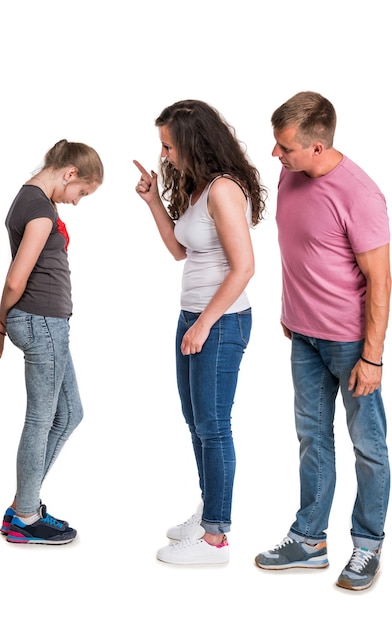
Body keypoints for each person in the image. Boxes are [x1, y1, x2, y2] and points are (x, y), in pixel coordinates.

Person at [255, 91, 391, 590]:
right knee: (313, 439)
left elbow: (381, 280)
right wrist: (291, 309)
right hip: (304, 338)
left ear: (317, 147)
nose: (276, 155)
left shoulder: (360, 194)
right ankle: (310, 540)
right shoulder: (292, 173)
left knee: (368, 444)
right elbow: (300, 247)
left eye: (285, 147)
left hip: (351, 344)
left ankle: (368, 546)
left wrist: (372, 357)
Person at [134, 99, 267, 565]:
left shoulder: (224, 190)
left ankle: (216, 539)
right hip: (193, 317)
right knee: (197, 423)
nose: (164, 155)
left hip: (222, 321)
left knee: (214, 426)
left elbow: (244, 267)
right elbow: (179, 251)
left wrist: (206, 324)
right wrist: (153, 200)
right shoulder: (198, 188)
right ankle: (209, 509)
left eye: (168, 146)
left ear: (192, 141)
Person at [0, 139, 104, 544]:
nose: (78, 201)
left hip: (47, 323)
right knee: (41, 418)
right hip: (41, 322)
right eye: (81, 192)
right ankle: (25, 516)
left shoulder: (29, 199)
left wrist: (3, 325)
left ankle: (23, 505)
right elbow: (17, 278)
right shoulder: (40, 211)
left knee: (70, 413)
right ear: (69, 174)